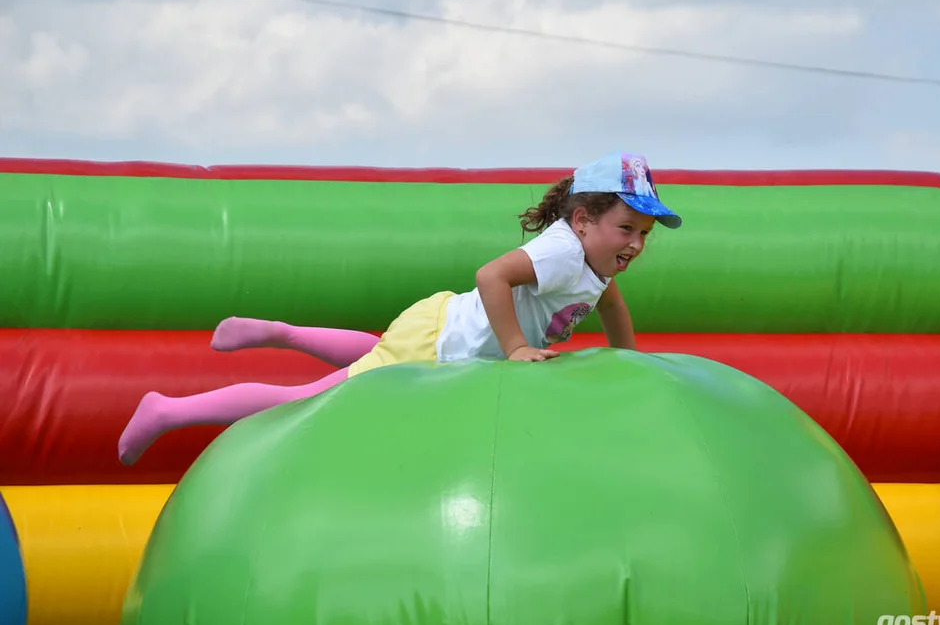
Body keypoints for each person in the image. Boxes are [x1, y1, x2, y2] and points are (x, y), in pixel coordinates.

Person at [116, 151, 682, 465]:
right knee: (312, 397)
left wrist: (631, 363)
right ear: (584, 220)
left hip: (441, 327)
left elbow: (611, 305)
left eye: (644, 233)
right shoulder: (563, 250)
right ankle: (166, 410)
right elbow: (492, 275)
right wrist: (514, 348)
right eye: (625, 228)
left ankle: (281, 331)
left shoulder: (593, 262)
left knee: (372, 354)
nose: (634, 243)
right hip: (440, 345)